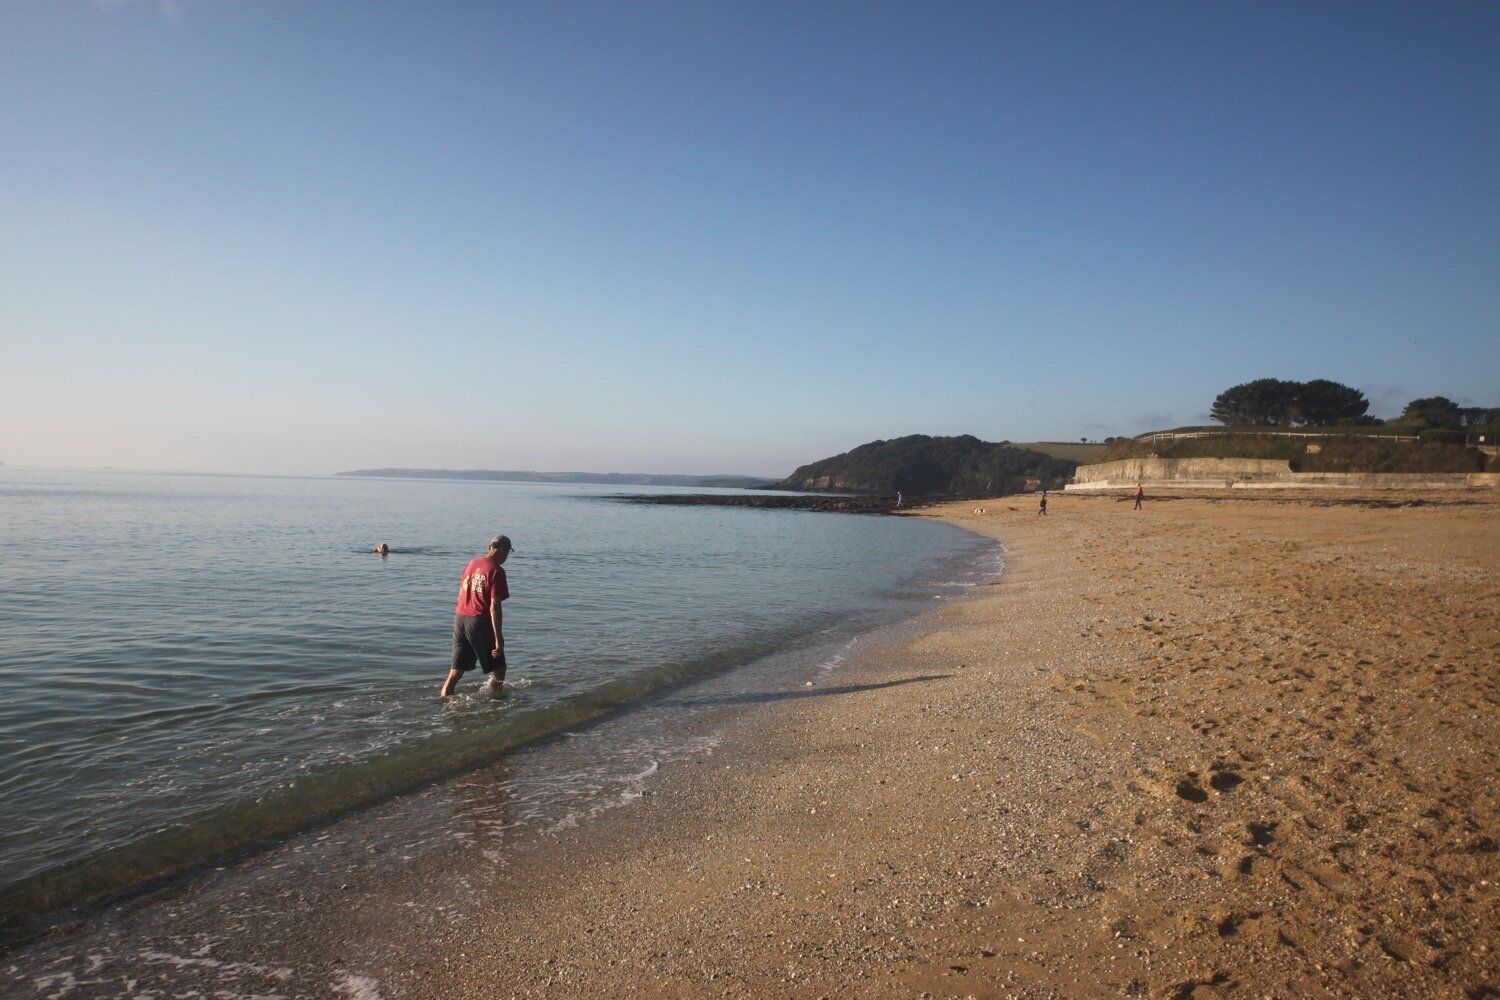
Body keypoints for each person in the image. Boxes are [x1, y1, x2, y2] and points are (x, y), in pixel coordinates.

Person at [440, 534, 514, 698]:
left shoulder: (471, 564)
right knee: (499, 668)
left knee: (455, 672)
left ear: (490, 548)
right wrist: (498, 638)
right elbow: (494, 607)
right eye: (508, 552)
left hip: (460, 619)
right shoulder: (496, 571)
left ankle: (443, 705)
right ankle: (496, 703)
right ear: (502, 550)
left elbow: (462, 590)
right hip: (479, 621)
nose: (507, 556)